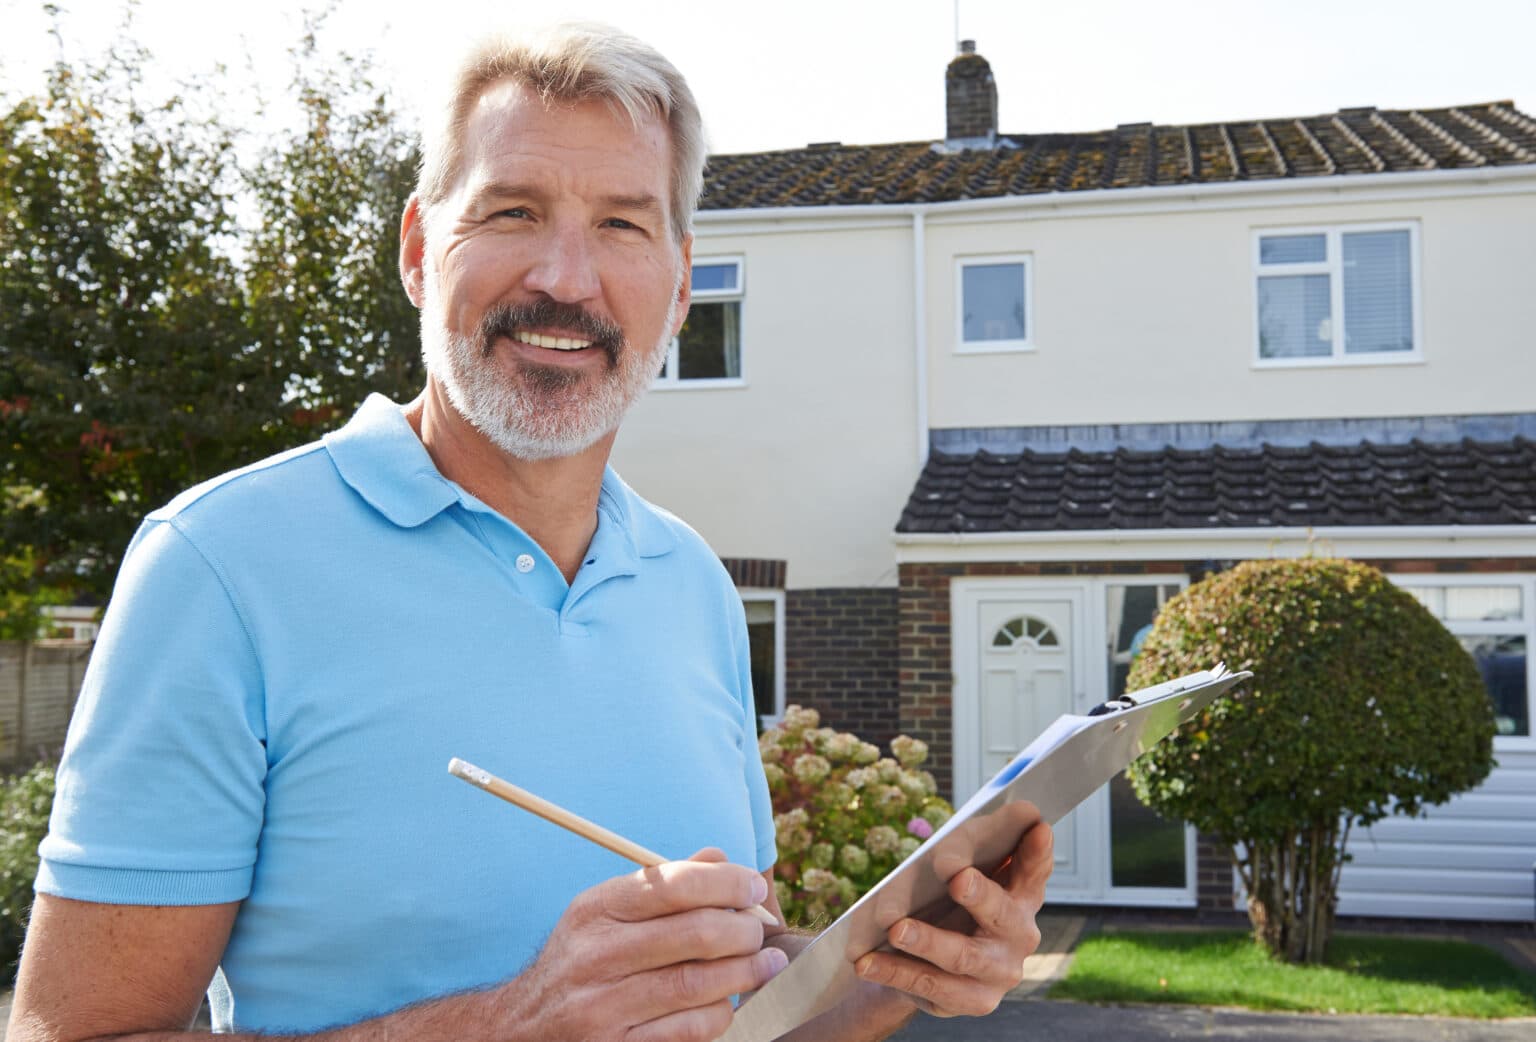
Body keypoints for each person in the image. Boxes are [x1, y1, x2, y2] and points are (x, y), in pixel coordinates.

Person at [8, 23, 1053, 1042]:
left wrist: (906, 972)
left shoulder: (691, 583)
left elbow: (740, 1014)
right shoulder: (219, 568)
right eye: (512, 212)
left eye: (622, 225)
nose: (565, 277)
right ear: (421, 249)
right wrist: (508, 1023)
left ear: (682, 283)